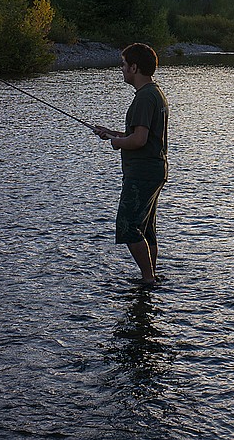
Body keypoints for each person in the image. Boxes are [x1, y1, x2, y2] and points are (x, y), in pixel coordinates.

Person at [93, 43, 169, 287]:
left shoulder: (144, 98)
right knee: (145, 228)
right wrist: (111, 132)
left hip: (143, 173)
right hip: (154, 170)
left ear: (134, 67)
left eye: (124, 65)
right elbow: (140, 134)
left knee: (127, 226)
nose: (122, 69)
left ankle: (148, 279)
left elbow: (138, 140)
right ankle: (151, 274)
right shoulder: (154, 93)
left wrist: (116, 142)